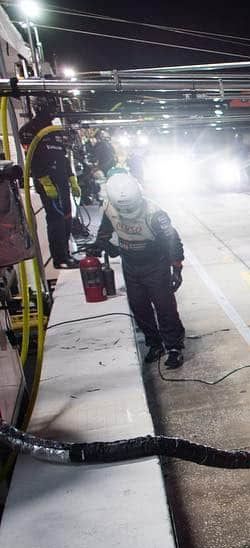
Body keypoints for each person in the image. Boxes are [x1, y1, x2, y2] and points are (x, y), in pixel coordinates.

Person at [91, 174, 186, 368]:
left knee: (164, 306)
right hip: (130, 264)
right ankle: (154, 343)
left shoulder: (155, 213)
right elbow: (105, 230)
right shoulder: (109, 208)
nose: (127, 211)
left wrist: (176, 268)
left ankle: (174, 346)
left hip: (155, 264)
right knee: (139, 306)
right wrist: (102, 244)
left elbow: (172, 241)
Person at [23, 114, 80, 269]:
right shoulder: (30, 130)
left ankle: (66, 254)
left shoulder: (55, 131)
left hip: (62, 180)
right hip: (48, 182)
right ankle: (59, 258)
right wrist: (43, 180)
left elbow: (63, 157)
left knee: (67, 217)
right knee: (57, 219)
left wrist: (72, 178)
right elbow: (31, 159)